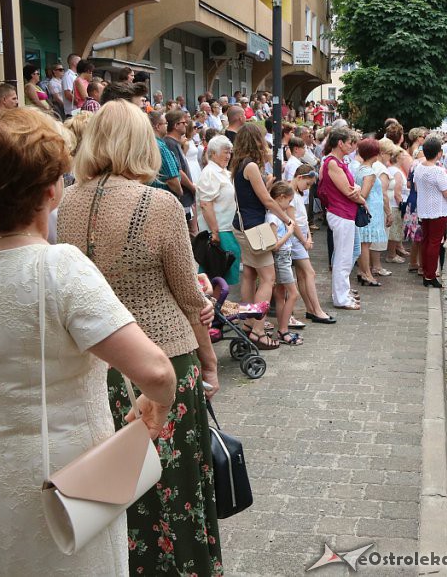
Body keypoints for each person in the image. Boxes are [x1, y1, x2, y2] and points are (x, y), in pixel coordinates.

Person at [0, 107, 177, 575]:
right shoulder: (55, 267)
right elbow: (156, 370)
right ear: (50, 189)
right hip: (69, 470)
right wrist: (158, 404)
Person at [56, 100, 226, 574]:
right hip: (161, 363)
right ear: (142, 144)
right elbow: (189, 296)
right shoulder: (160, 203)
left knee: (117, 481)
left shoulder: (68, 201)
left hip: (100, 362)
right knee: (171, 477)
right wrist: (209, 361)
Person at [231, 123, 294, 345]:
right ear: (256, 141)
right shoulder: (251, 166)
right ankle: (257, 329)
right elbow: (266, 201)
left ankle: (248, 321)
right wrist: (287, 220)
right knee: (269, 278)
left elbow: (254, 197)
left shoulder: (238, 164)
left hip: (242, 225)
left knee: (249, 274)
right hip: (255, 228)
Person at [320, 128, 365, 309]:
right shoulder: (332, 163)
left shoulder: (338, 162)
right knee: (343, 258)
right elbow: (348, 190)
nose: (351, 146)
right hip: (340, 212)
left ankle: (343, 294)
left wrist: (357, 191)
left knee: (344, 257)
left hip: (344, 212)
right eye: (348, 143)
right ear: (340, 143)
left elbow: (353, 187)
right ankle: (341, 298)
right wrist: (361, 198)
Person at [289, 164, 334, 324]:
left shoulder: (297, 193)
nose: (308, 188)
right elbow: (292, 221)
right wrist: (304, 239)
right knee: (309, 273)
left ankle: (311, 309)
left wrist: (307, 236)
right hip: (296, 238)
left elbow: (302, 219)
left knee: (303, 275)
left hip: (300, 237)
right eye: (307, 184)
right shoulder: (290, 193)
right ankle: (316, 310)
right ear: (300, 177)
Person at [195, 135, 242, 285]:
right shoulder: (210, 173)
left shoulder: (223, 172)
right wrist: (214, 232)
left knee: (223, 275)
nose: (228, 156)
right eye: (225, 152)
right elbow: (206, 203)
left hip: (226, 229)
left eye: (230, 152)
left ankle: (219, 306)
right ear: (214, 153)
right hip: (219, 231)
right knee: (217, 275)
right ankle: (215, 306)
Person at [265, 182, 303, 344]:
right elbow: (274, 245)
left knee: (281, 295)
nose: (289, 205)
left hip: (283, 257)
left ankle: (282, 329)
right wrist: (289, 232)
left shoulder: (275, 216)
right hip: (281, 257)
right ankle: (283, 329)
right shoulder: (273, 218)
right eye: (288, 201)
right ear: (280, 198)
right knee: (293, 294)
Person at [414, 136, 447, 288]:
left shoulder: (419, 167)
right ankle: (430, 275)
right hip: (437, 210)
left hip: (424, 208)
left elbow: (417, 187)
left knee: (426, 241)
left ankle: (426, 272)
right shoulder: (438, 171)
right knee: (434, 243)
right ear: (438, 153)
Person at [354, 138, 390, 286]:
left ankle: (363, 272)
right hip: (369, 211)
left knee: (364, 243)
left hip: (367, 210)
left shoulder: (360, 168)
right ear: (374, 154)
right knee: (365, 244)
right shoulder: (369, 172)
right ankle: (366, 273)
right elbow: (364, 194)